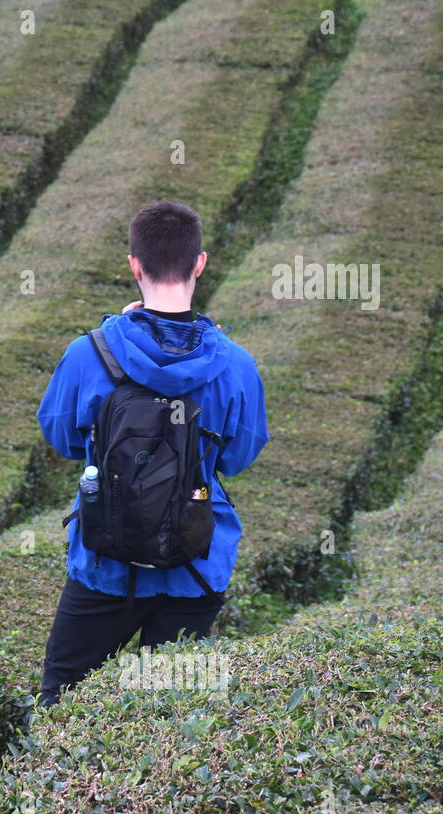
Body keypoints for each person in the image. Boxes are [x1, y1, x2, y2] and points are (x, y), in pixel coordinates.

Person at [34, 201, 269, 708]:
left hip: (105, 559)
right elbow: (238, 455)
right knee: (168, 713)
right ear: (199, 263)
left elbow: (63, 437)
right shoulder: (236, 364)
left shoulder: (89, 353)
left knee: (62, 697)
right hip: (195, 563)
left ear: (134, 265)